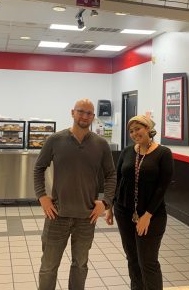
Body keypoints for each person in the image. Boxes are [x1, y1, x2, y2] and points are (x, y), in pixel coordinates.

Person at [33, 98, 116, 290]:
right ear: (72, 113)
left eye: (89, 113)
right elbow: (39, 168)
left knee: (80, 266)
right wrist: (42, 196)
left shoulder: (101, 144)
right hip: (57, 215)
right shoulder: (55, 140)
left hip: (87, 217)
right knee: (48, 267)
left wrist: (106, 202)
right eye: (81, 111)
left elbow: (111, 174)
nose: (85, 116)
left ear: (93, 117)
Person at [105, 115, 173, 290]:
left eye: (138, 129)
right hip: (124, 211)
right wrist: (110, 207)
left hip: (152, 214)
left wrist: (147, 215)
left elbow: (162, 187)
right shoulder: (128, 152)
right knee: (133, 258)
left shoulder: (163, 153)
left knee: (148, 261)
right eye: (131, 131)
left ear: (148, 129)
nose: (135, 133)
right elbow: (117, 179)